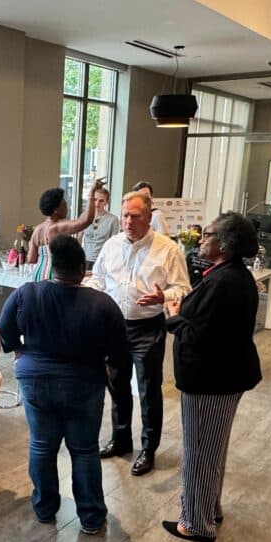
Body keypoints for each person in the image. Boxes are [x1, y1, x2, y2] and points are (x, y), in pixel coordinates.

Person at [0, 235, 127, 534]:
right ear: (83, 268)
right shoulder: (102, 303)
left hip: (35, 381)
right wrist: (108, 367)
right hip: (84, 385)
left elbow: (4, 330)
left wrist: (19, 350)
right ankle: (92, 519)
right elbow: (121, 350)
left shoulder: (26, 294)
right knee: (83, 450)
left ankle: (44, 509)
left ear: (52, 268)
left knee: (42, 446)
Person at [162, 212, 262, 542]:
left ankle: (196, 523)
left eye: (206, 234)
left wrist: (174, 317)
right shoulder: (230, 276)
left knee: (199, 451)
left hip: (212, 380)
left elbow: (198, 336)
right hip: (225, 376)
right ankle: (209, 509)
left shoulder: (224, 283)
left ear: (224, 244)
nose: (201, 239)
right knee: (212, 449)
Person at [86, 191, 190, 476]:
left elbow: (183, 289)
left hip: (148, 327)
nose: (129, 222)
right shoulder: (111, 245)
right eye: (125, 216)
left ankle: (148, 449)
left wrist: (163, 297)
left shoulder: (168, 249)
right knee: (116, 385)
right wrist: (93, 298)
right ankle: (121, 440)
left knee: (147, 389)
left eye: (136, 216)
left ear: (149, 217)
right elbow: (98, 278)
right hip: (115, 326)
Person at [27, 178, 104, 281]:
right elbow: (86, 220)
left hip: (37, 274)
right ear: (55, 210)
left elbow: (31, 259)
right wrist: (91, 193)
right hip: (54, 276)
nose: (67, 206)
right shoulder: (56, 227)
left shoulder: (37, 230)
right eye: (64, 204)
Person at [80, 185, 120, 271]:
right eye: (95, 200)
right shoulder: (84, 216)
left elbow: (114, 243)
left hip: (102, 260)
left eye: (101, 201)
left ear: (106, 202)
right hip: (84, 259)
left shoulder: (113, 219)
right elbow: (79, 237)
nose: (97, 204)